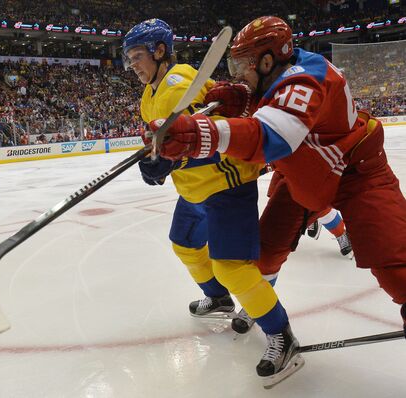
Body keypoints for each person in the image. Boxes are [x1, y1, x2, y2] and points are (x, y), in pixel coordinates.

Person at [148, 15, 406, 369]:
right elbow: (269, 104)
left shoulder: (307, 77)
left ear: (267, 61)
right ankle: (268, 317)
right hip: (304, 176)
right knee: (264, 255)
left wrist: (199, 135)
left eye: (243, 66)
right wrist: (242, 96)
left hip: (357, 173)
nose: (237, 74)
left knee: (396, 263)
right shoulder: (279, 74)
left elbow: (272, 137)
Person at [124, 18, 303, 387]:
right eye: (129, 59)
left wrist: (172, 158)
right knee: (185, 245)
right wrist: (159, 159)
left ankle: (282, 336)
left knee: (232, 267)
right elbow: (169, 139)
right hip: (193, 189)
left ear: (160, 51)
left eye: (138, 56)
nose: (133, 65)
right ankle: (219, 299)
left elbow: (221, 137)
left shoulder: (179, 85)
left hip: (225, 184)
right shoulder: (150, 92)